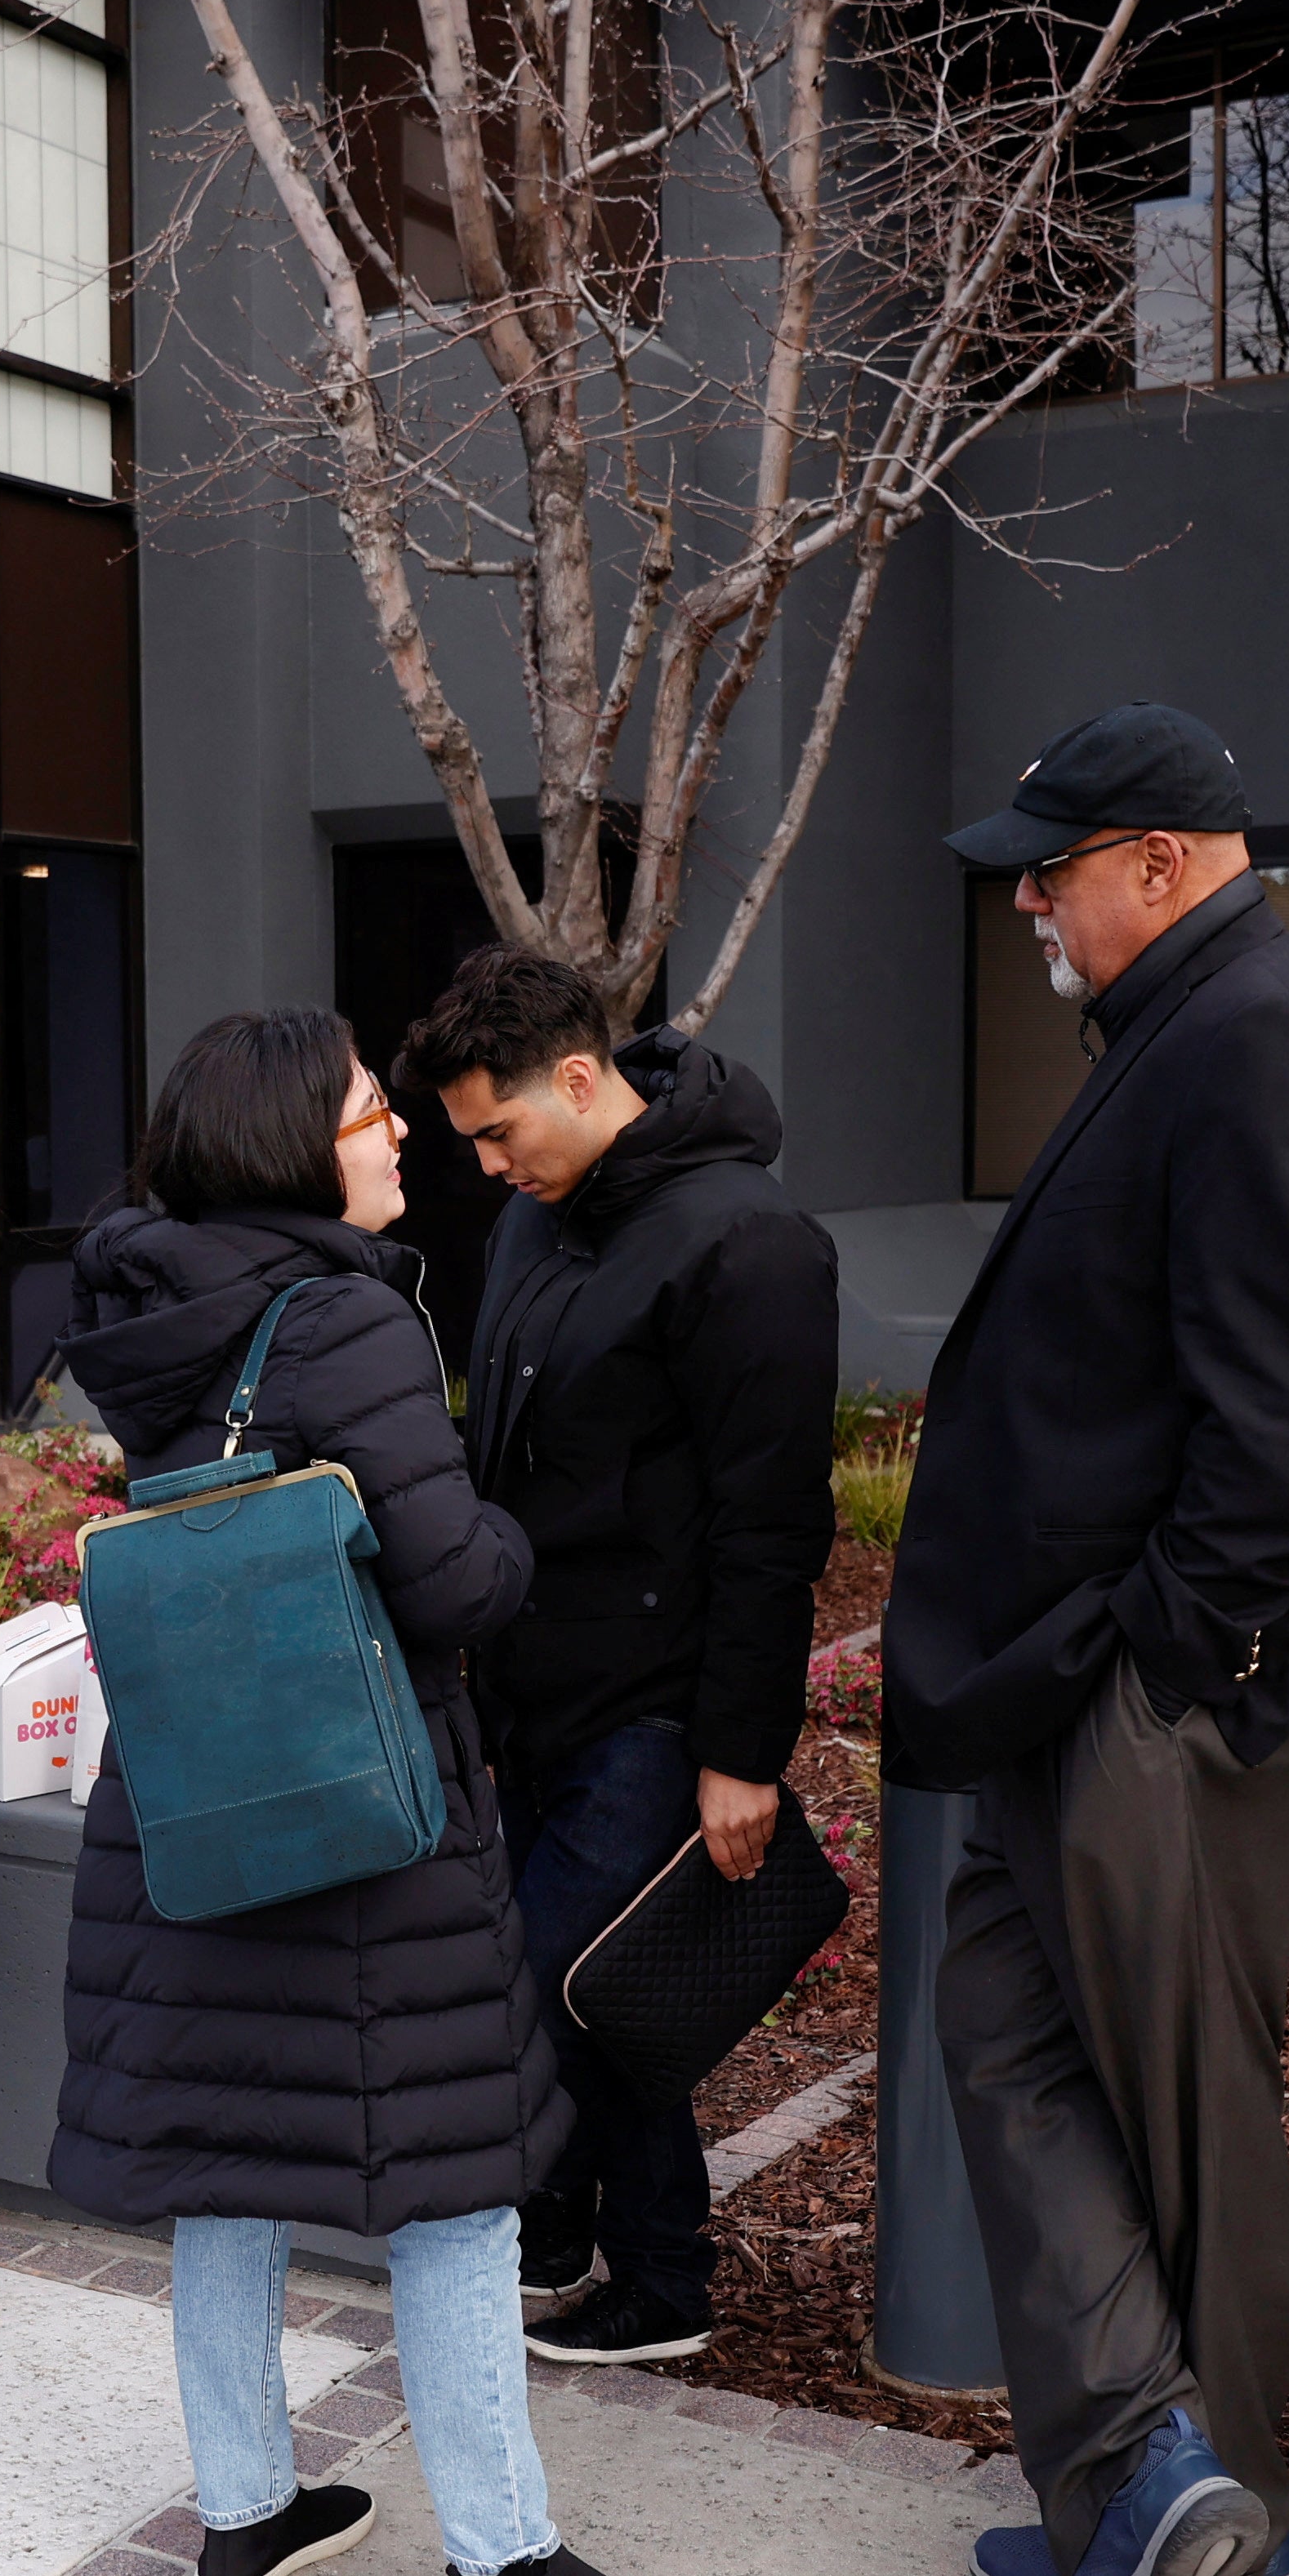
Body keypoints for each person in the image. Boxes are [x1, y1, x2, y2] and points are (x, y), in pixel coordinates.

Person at [52, 1005, 716, 2576]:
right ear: (293, 1142)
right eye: (365, 1115)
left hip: (200, 1794)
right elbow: (456, 1580)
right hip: (364, 1810)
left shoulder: (151, 1308)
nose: (398, 1136)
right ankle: (507, 2569)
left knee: (226, 2158)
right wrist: (498, 1521)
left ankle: (245, 2506)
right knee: (460, 2177)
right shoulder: (335, 1321)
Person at [889, 703, 1289, 2576]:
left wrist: (1180, 1673)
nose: (1024, 894)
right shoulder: (1193, 1027)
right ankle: (1146, 2480)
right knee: (1012, 2041)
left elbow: (1279, 1418)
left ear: (1160, 860)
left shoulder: (1258, 1036)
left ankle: (1236, 2525)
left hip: (1175, 1698)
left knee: (1178, 2106)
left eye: (1051, 859)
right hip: (1093, 1687)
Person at [390, 944, 838, 2369]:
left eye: (498, 1132)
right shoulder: (540, 1214)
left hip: (656, 1704)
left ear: (580, 1080)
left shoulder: (750, 1243)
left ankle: (662, 2272)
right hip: (530, 1686)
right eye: (466, 1142)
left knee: (573, 1981)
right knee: (578, 1981)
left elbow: (773, 1525)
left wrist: (740, 1755)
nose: (484, 1167)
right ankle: (570, 2225)